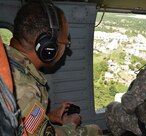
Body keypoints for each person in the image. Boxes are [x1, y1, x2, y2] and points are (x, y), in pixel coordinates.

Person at [5, 0, 102, 135]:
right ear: (48, 47)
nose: (66, 49)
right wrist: (70, 125)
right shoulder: (24, 88)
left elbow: (20, 123)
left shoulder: (7, 62)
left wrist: (49, 116)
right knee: (94, 130)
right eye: (65, 43)